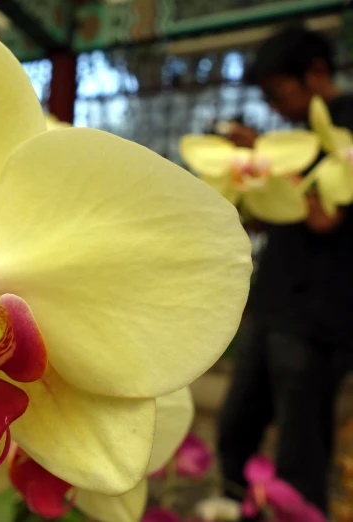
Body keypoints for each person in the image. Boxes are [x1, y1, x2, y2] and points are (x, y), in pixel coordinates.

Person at [217, 25, 353, 516]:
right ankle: (236, 508)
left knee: (302, 451)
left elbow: (324, 217)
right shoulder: (293, 139)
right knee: (235, 433)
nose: (275, 107)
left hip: (318, 318)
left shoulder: (342, 127)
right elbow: (270, 216)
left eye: (278, 93)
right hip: (273, 307)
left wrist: (267, 160)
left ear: (316, 72)